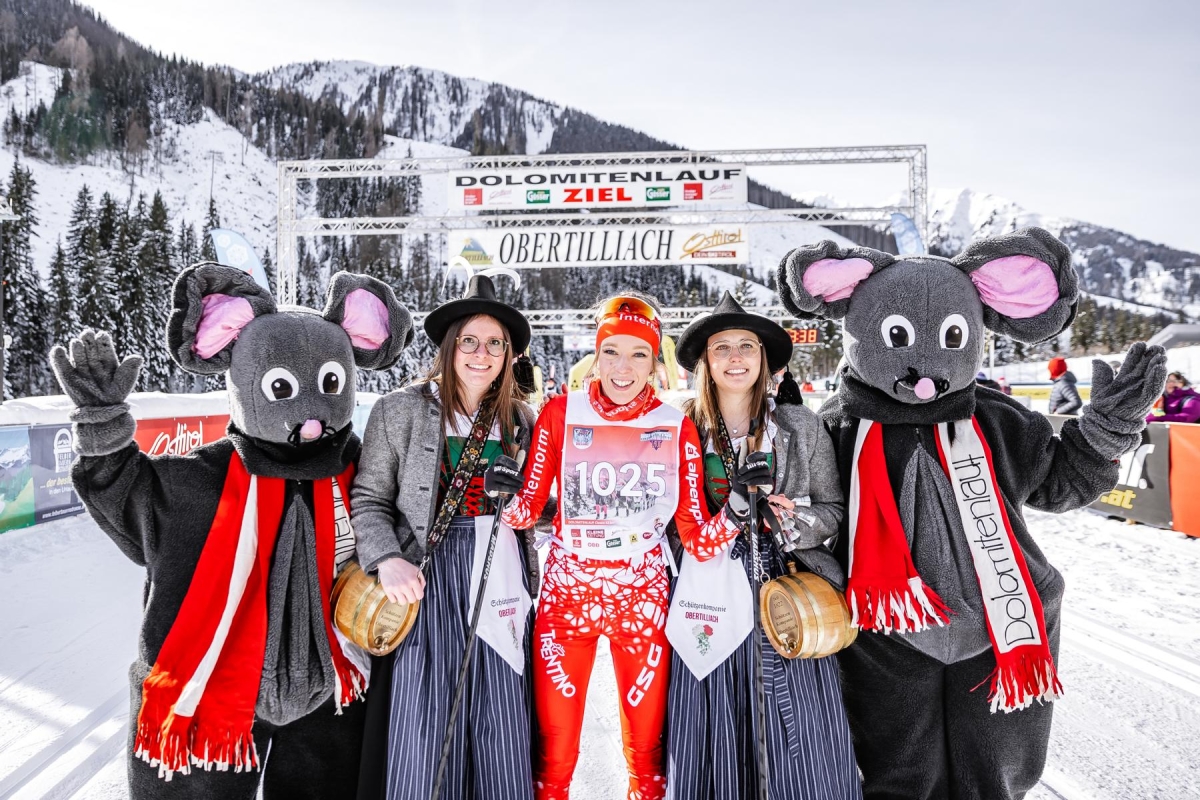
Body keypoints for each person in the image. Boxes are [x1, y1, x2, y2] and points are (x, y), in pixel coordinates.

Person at [51, 266, 413, 799]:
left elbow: (411, 514)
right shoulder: (204, 480)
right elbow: (129, 496)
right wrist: (103, 426)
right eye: (281, 388)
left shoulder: (363, 475)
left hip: (336, 687)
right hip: (216, 688)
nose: (311, 415)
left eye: (329, 386)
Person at [486, 293, 750, 800]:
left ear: (655, 363)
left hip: (642, 600)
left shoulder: (675, 426)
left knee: (647, 753)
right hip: (567, 599)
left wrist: (738, 508)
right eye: (611, 352)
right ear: (596, 354)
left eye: (638, 354)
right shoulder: (560, 412)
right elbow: (527, 513)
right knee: (554, 752)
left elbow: (696, 539)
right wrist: (504, 496)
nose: (622, 368)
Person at [665, 292, 861, 799]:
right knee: (711, 707)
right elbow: (666, 520)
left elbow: (834, 511)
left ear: (764, 359)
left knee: (794, 720)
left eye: (746, 346)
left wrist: (790, 520)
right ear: (705, 363)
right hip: (706, 585)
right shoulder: (680, 429)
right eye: (722, 348)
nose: (735, 358)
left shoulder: (800, 425)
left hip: (785, 584)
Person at [352, 273, 538, 800]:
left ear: (509, 355)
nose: (482, 354)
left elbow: (539, 510)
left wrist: (526, 501)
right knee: (426, 714)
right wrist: (386, 558)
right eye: (470, 341)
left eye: (495, 344)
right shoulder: (400, 410)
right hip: (425, 575)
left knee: (501, 711)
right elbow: (368, 499)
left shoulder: (521, 420)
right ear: (450, 345)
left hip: (499, 572)